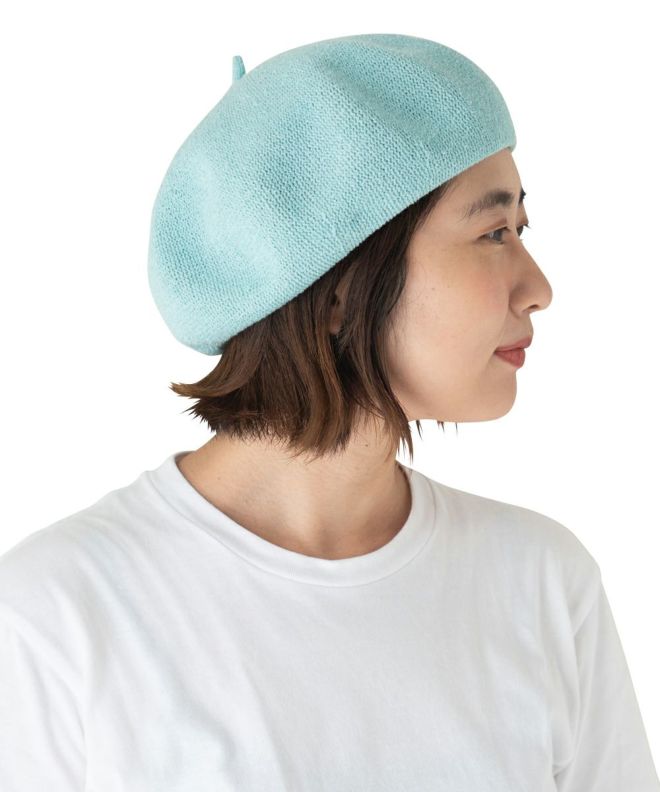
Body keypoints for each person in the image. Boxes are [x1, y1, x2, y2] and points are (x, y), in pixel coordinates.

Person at [1, 33, 658, 792]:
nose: (538, 287)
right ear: (339, 288)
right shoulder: (56, 615)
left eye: (522, 230)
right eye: (493, 233)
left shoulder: (543, 582)